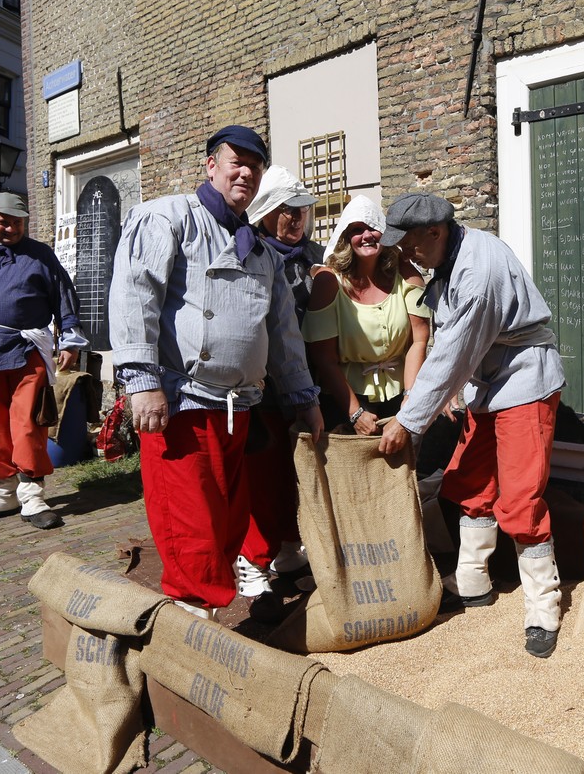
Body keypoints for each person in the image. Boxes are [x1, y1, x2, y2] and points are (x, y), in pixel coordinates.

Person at [108, 125, 323, 620]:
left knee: (226, 523)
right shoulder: (167, 217)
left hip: (238, 407)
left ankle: (206, 622)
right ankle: (192, 632)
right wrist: (142, 381)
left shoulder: (262, 251)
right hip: (180, 404)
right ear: (211, 165)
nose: (246, 172)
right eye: (236, 161)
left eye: (255, 165)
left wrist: (304, 397)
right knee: (190, 529)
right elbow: (135, 296)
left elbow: (283, 333)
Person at [377, 193, 567, 658]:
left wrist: (409, 421)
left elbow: (453, 353)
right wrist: (445, 391)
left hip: (524, 381)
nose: (405, 254)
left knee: (520, 498)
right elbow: (452, 343)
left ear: (435, 232)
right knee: (470, 480)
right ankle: (473, 580)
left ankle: (543, 605)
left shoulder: (478, 272)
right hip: (488, 382)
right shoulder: (451, 255)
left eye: (410, 244)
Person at [0, 192, 86, 531]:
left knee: (28, 424)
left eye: (18, 222)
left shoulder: (41, 255)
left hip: (26, 351)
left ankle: (32, 495)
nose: (12, 228)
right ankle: (1, 493)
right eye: (4, 221)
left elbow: (63, 295)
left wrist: (70, 338)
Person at [232, 166, 322, 614]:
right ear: (265, 213)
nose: (295, 218)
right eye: (286, 210)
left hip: (307, 385)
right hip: (263, 387)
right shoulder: (249, 254)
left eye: (301, 209)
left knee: (295, 474)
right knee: (262, 479)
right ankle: (252, 561)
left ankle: (288, 547)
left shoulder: (315, 256)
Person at [304, 195, 430, 432]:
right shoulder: (328, 281)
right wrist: (355, 412)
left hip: (401, 394)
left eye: (373, 227)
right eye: (357, 230)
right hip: (345, 399)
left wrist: (410, 399)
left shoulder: (405, 275)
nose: (367, 235)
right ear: (346, 237)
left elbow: (419, 340)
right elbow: (323, 357)